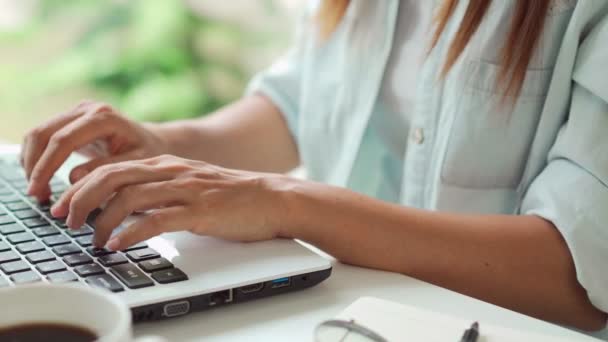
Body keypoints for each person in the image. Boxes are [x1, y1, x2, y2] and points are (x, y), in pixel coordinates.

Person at [19, 0, 608, 333]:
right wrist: (166, 145)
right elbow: (302, 106)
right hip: (356, 317)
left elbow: (580, 278)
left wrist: (286, 205)